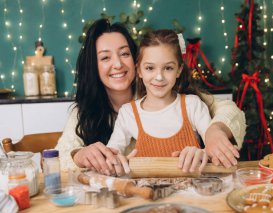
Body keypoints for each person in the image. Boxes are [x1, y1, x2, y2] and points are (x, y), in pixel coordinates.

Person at [56, 19, 246, 176]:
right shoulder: (99, 112)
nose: (118, 64)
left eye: (124, 53)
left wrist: (216, 130)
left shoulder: (189, 102)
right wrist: (79, 155)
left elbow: (228, 109)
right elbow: (58, 158)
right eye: (105, 57)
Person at [106, 29, 210, 176]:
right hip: (148, 196)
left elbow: (215, 148)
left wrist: (203, 152)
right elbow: (111, 155)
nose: (159, 77)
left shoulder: (192, 105)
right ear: (139, 71)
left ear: (179, 70)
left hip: (191, 195)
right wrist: (115, 160)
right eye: (150, 68)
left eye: (168, 68)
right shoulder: (128, 112)